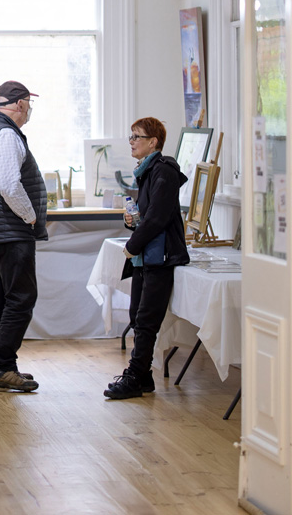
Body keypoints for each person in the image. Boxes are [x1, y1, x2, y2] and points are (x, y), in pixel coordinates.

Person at [104, 117, 190, 400]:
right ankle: (143, 377)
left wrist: (132, 244)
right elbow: (145, 217)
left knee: (146, 319)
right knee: (137, 317)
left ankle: (134, 375)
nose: (131, 142)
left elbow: (157, 219)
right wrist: (132, 221)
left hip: (158, 256)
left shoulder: (163, 172)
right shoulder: (146, 172)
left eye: (136, 137)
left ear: (153, 142)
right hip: (147, 255)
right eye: (130, 136)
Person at [0, 80, 47, 392]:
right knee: (21, 298)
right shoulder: (6, 134)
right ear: (19, 104)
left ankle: (0, 364)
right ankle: (2, 366)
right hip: (12, 229)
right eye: (29, 103)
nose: (30, 109)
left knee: (4, 297)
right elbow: (8, 184)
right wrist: (30, 215)